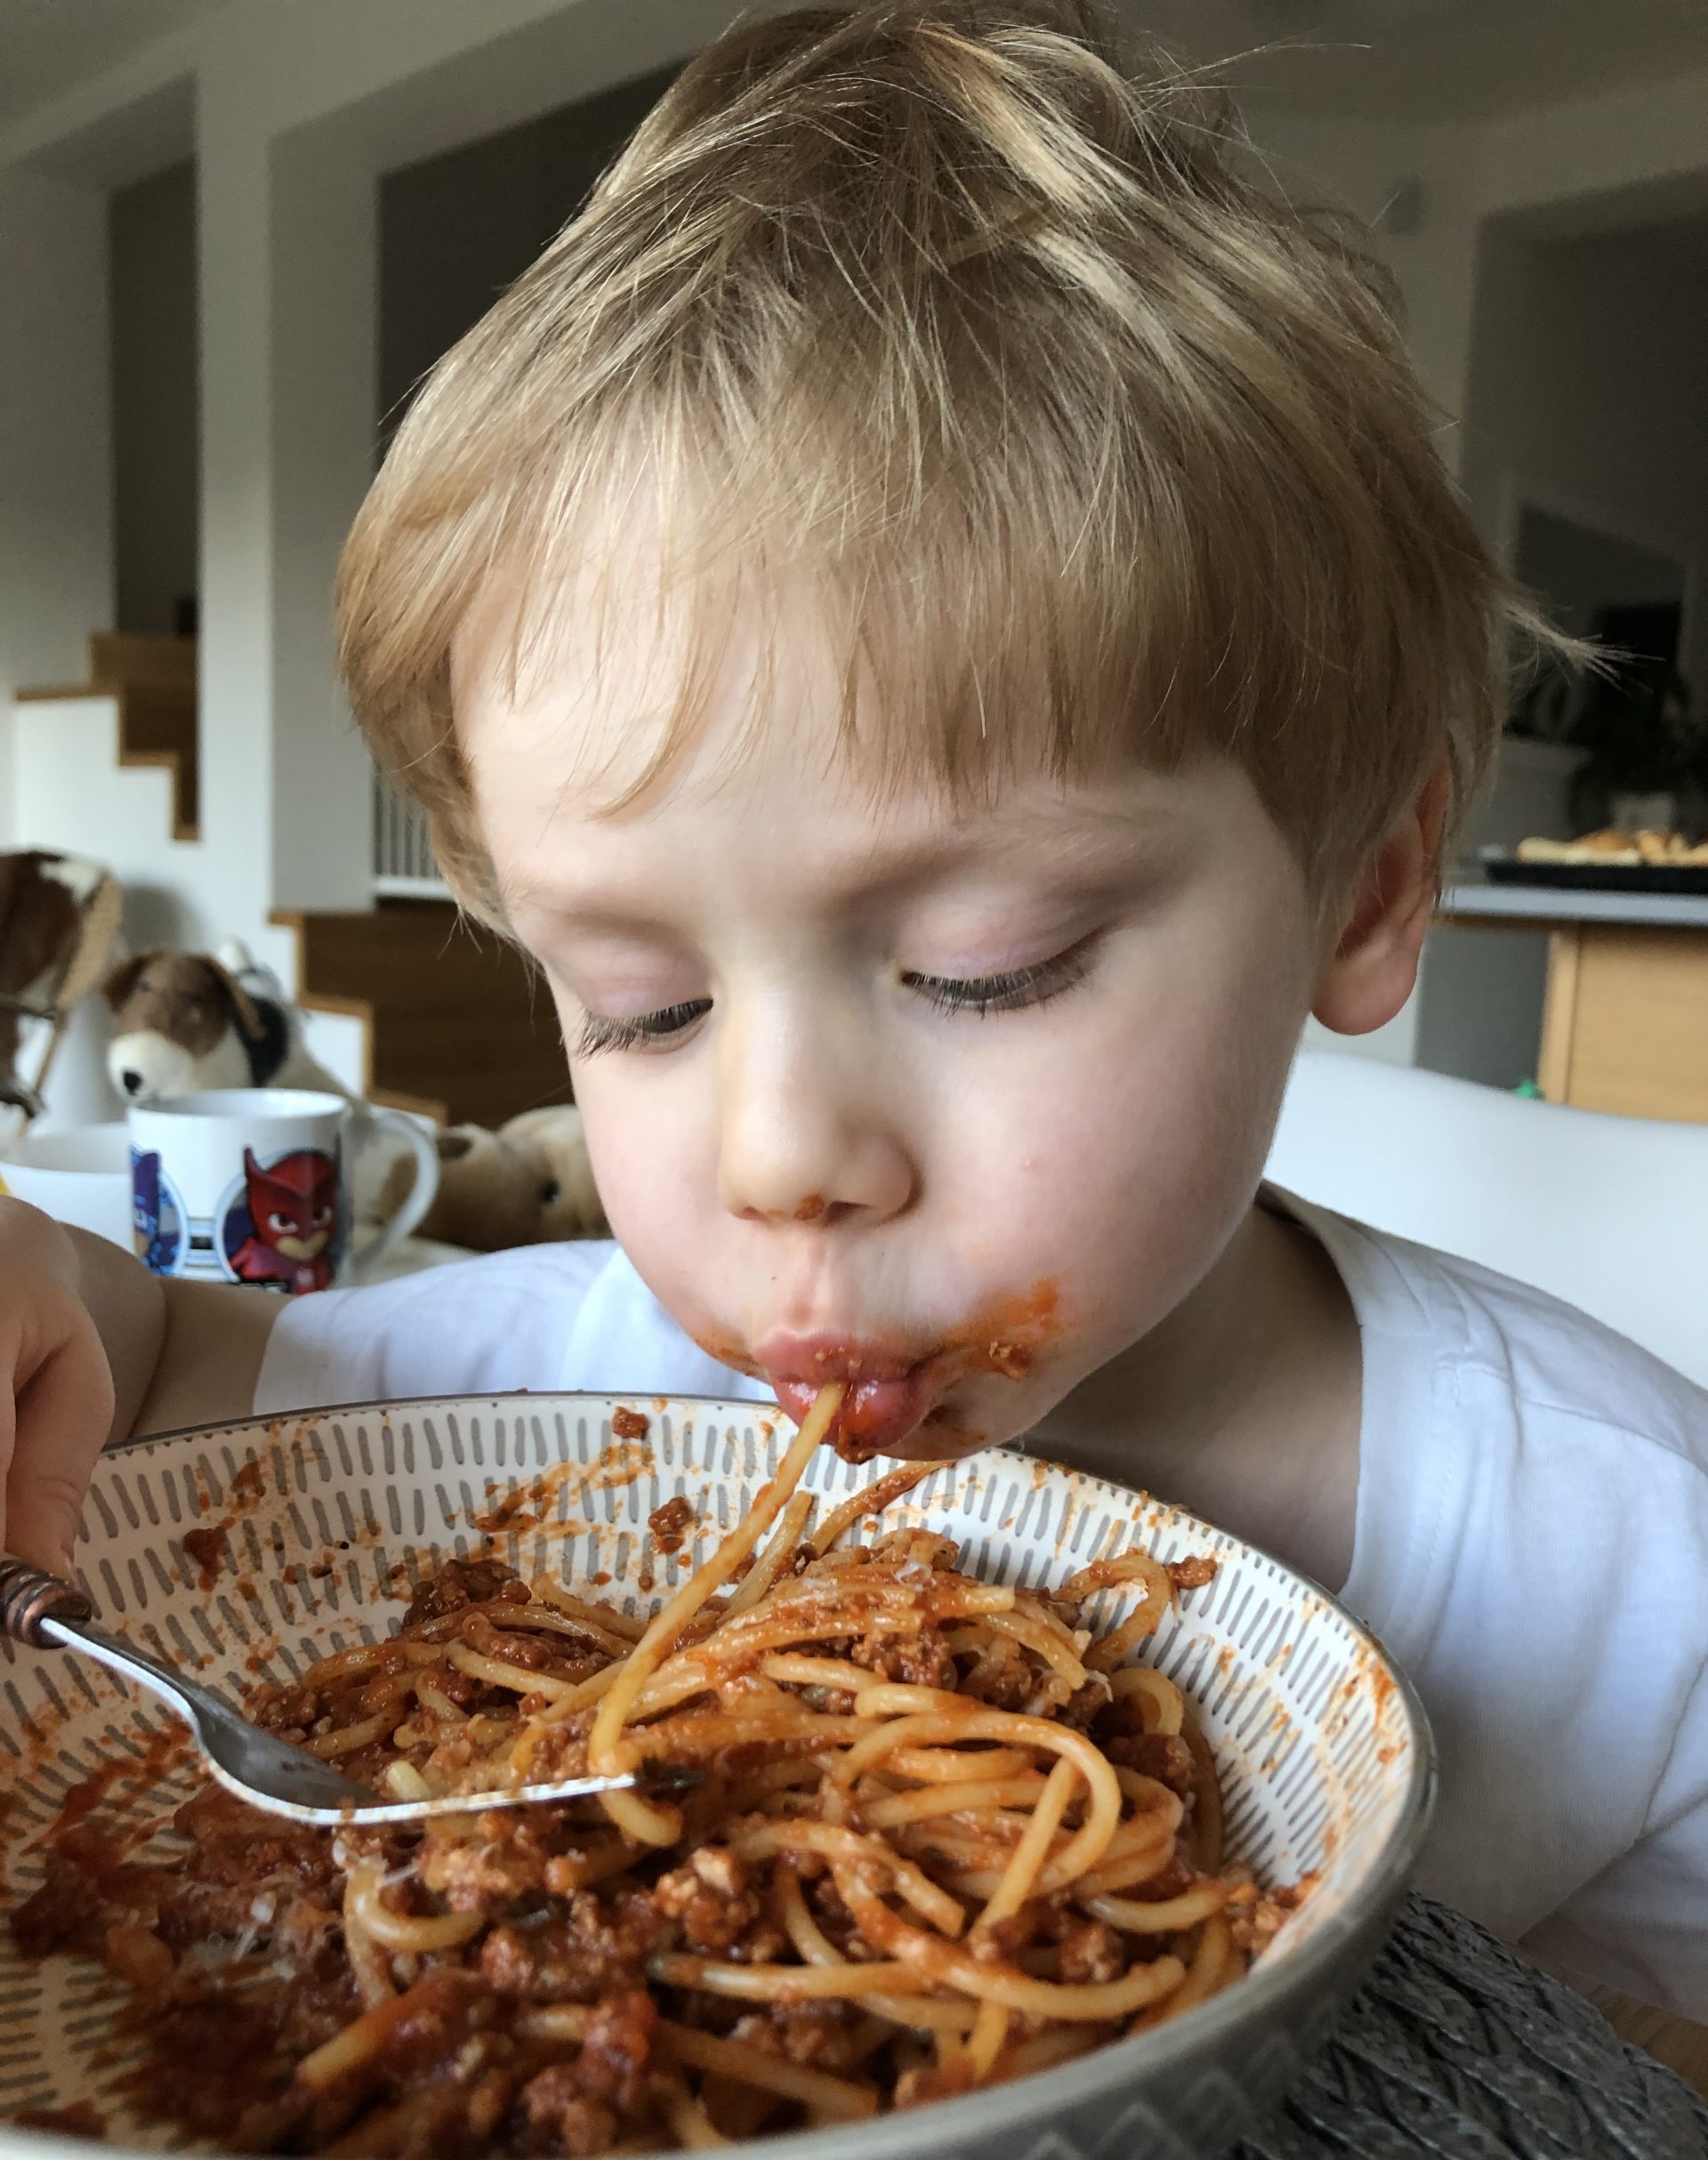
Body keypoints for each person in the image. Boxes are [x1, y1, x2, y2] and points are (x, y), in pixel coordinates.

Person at [3, 0, 1703, 2022]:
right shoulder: (540, 1435)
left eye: (986, 964)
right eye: (641, 1004)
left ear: (1374, 882)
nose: (780, 1153)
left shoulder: (1634, 1572)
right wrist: (46, 1299)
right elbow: (169, 1361)